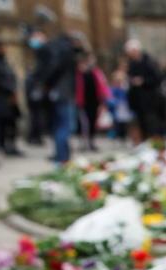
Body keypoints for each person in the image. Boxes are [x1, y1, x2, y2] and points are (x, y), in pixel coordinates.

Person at [31, 7, 79, 164]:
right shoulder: (62, 49)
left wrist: (46, 84)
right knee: (64, 125)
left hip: (57, 92)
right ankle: (62, 156)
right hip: (62, 93)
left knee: (60, 125)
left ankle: (61, 155)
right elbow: (53, 68)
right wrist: (47, 84)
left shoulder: (56, 48)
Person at [0, 40, 22, 157]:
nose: (4, 50)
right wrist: (10, 91)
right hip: (2, 97)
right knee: (3, 123)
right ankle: (4, 145)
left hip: (9, 97)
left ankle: (11, 145)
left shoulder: (4, 62)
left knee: (11, 122)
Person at [124, 39, 161, 141]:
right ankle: (144, 141)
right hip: (137, 100)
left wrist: (143, 81)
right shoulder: (132, 63)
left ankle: (153, 141)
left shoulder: (149, 62)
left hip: (149, 99)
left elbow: (157, 78)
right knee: (141, 123)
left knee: (151, 123)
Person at [76, 52, 109, 151]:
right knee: (82, 123)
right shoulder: (78, 74)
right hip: (82, 102)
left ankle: (91, 142)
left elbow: (102, 86)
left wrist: (103, 99)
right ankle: (83, 143)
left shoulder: (96, 72)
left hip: (94, 101)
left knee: (92, 122)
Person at [24, 30, 49, 145]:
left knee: (38, 115)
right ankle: (33, 136)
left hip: (36, 89)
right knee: (35, 116)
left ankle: (36, 136)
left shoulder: (43, 54)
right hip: (33, 89)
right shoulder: (35, 55)